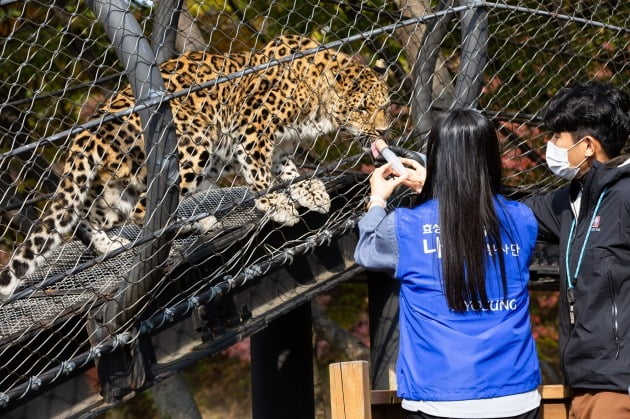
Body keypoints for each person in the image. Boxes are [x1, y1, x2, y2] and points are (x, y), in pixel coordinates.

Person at [355, 109, 541, 419]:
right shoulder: (522, 219)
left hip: (438, 397)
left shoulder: (407, 226)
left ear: (438, 158)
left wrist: (377, 201)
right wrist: (443, 190)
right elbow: (471, 220)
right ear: (491, 158)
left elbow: (367, 251)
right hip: (516, 395)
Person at [524, 82, 630, 419]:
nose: (550, 145)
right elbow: (506, 214)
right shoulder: (571, 200)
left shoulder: (626, 196)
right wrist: (444, 182)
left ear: (586, 146)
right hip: (582, 382)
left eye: (557, 136)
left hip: (618, 386)